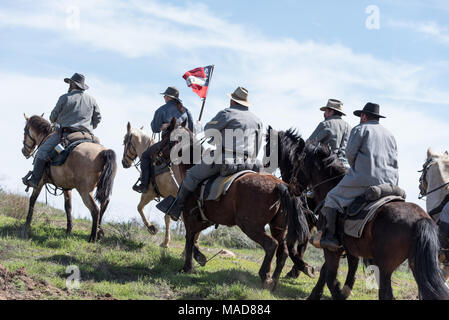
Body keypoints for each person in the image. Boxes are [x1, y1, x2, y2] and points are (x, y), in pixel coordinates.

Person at [157, 86, 263, 221]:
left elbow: (208, 132)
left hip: (226, 159)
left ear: (233, 101)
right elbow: (258, 145)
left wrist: (199, 127)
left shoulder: (227, 113)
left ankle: (176, 207)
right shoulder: (257, 120)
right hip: (250, 162)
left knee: (191, 176)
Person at [320, 102, 399, 251]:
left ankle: (330, 237)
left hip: (365, 179)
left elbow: (349, 155)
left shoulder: (360, 129)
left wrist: (357, 166)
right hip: (391, 183)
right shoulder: (390, 134)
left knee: (332, 197)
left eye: (360, 116)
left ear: (363, 116)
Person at [22, 73, 101, 188]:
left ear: (73, 84)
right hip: (88, 136)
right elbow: (98, 118)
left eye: (70, 83)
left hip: (66, 134)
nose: (69, 85)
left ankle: (34, 180)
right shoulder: (92, 100)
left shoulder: (65, 98)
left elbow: (52, 117)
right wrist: (88, 126)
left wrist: (60, 120)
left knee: (41, 152)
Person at [133, 86, 194, 193]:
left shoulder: (161, 110)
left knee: (145, 156)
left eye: (164, 96)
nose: (164, 98)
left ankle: (144, 185)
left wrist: (162, 126)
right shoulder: (186, 111)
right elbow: (192, 129)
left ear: (168, 97)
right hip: (187, 143)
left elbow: (155, 129)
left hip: (169, 143)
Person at [307, 99, 351, 165]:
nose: (324, 113)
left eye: (326, 111)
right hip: (345, 164)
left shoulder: (325, 124)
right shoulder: (349, 127)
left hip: (327, 164)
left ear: (331, 112)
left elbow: (309, 143)